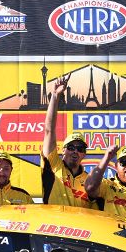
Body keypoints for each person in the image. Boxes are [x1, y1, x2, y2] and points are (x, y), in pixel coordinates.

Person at [41, 75, 93, 208]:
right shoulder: (53, 165)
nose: (75, 151)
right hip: (52, 227)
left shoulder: (89, 181)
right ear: (63, 150)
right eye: (71, 147)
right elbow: (49, 130)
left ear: (84, 154)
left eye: (80, 149)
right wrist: (55, 96)